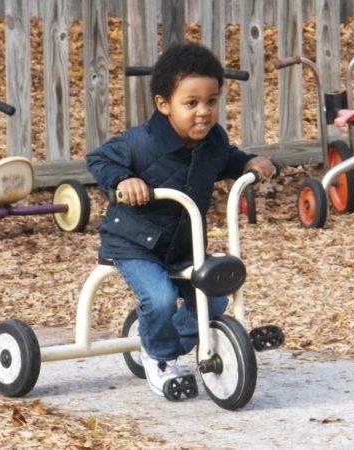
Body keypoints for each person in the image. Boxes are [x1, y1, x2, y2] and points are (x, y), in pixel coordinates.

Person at [87, 42, 275, 400]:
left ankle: (160, 344)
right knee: (159, 300)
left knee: (215, 301)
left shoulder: (213, 140)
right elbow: (99, 160)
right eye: (191, 103)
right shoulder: (141, 143)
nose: (203, 112)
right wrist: (122, 180)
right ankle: (159, 359)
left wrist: (249, 163)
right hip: (135, 244)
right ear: (164, 105)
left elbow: (228, 160)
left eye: (212, 101)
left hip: (184, 244)